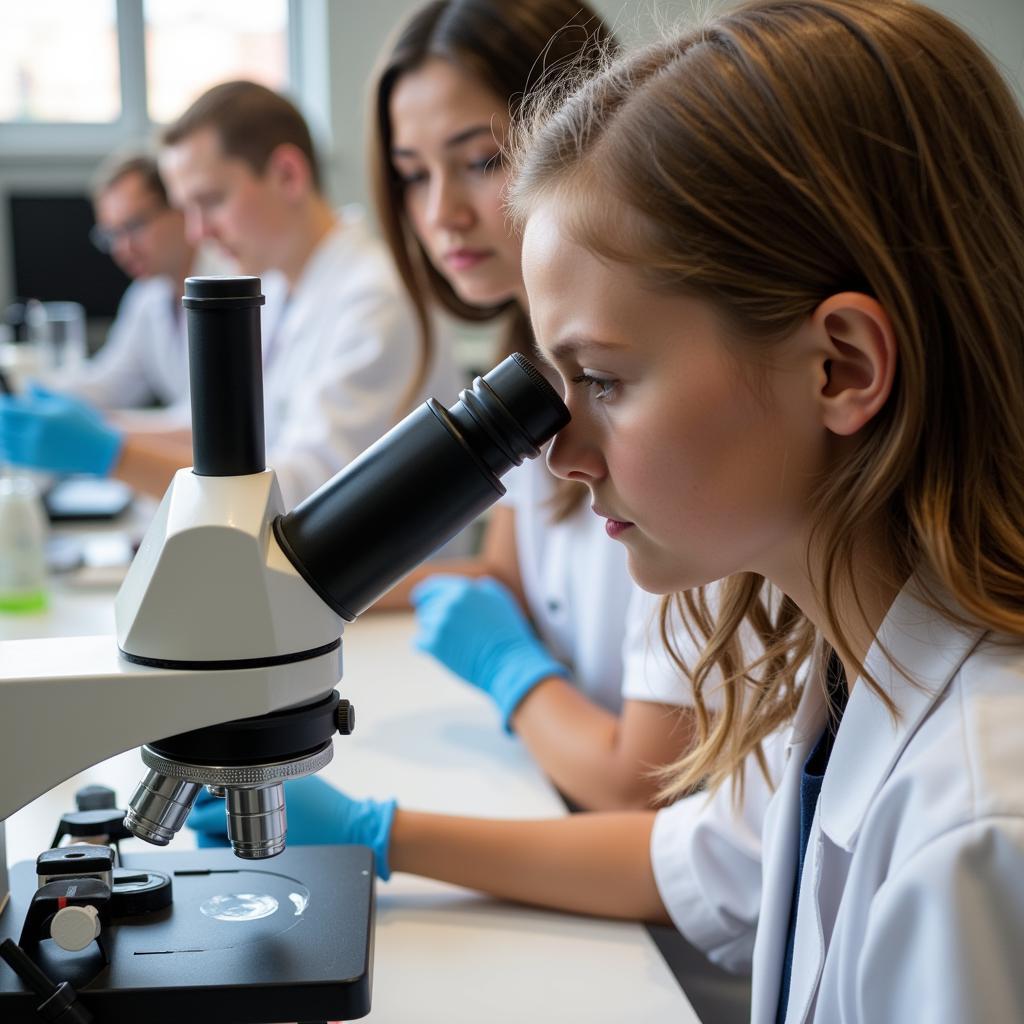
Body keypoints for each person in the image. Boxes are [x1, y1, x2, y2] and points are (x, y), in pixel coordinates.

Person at [191, 0, 1024, 1019]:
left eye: (603, 380)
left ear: (839, 366)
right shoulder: (846, 669)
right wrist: (379, 828)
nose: (561, 454)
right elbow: (708, 860)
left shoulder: (978, 825)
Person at [364, 0, 704, 811]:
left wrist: (512, 676)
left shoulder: (682, 399)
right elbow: (505, 584)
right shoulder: (524, 363)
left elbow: (642, 787)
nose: (439, 213)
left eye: (479, 160)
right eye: (413, 174)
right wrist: (308, 593)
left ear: (586, 135)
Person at [0, 82, 463, 509]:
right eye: (188, 210)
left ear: (287, 175)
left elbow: (304, 492)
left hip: (384, 591)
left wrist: (111, 453)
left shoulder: (375, 299)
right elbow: (225, 436)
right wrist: (102, 427)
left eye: (211, 201)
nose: (198, 232)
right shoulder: (282, 288)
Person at [56, 153, 222, 417]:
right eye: (112, 235)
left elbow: (209, 417)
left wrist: (111, 431)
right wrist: (28, 392)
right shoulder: (148, 296)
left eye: (133, 226)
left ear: (180, 207)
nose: (123, 249)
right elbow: (109, 384)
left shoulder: (232, 285)